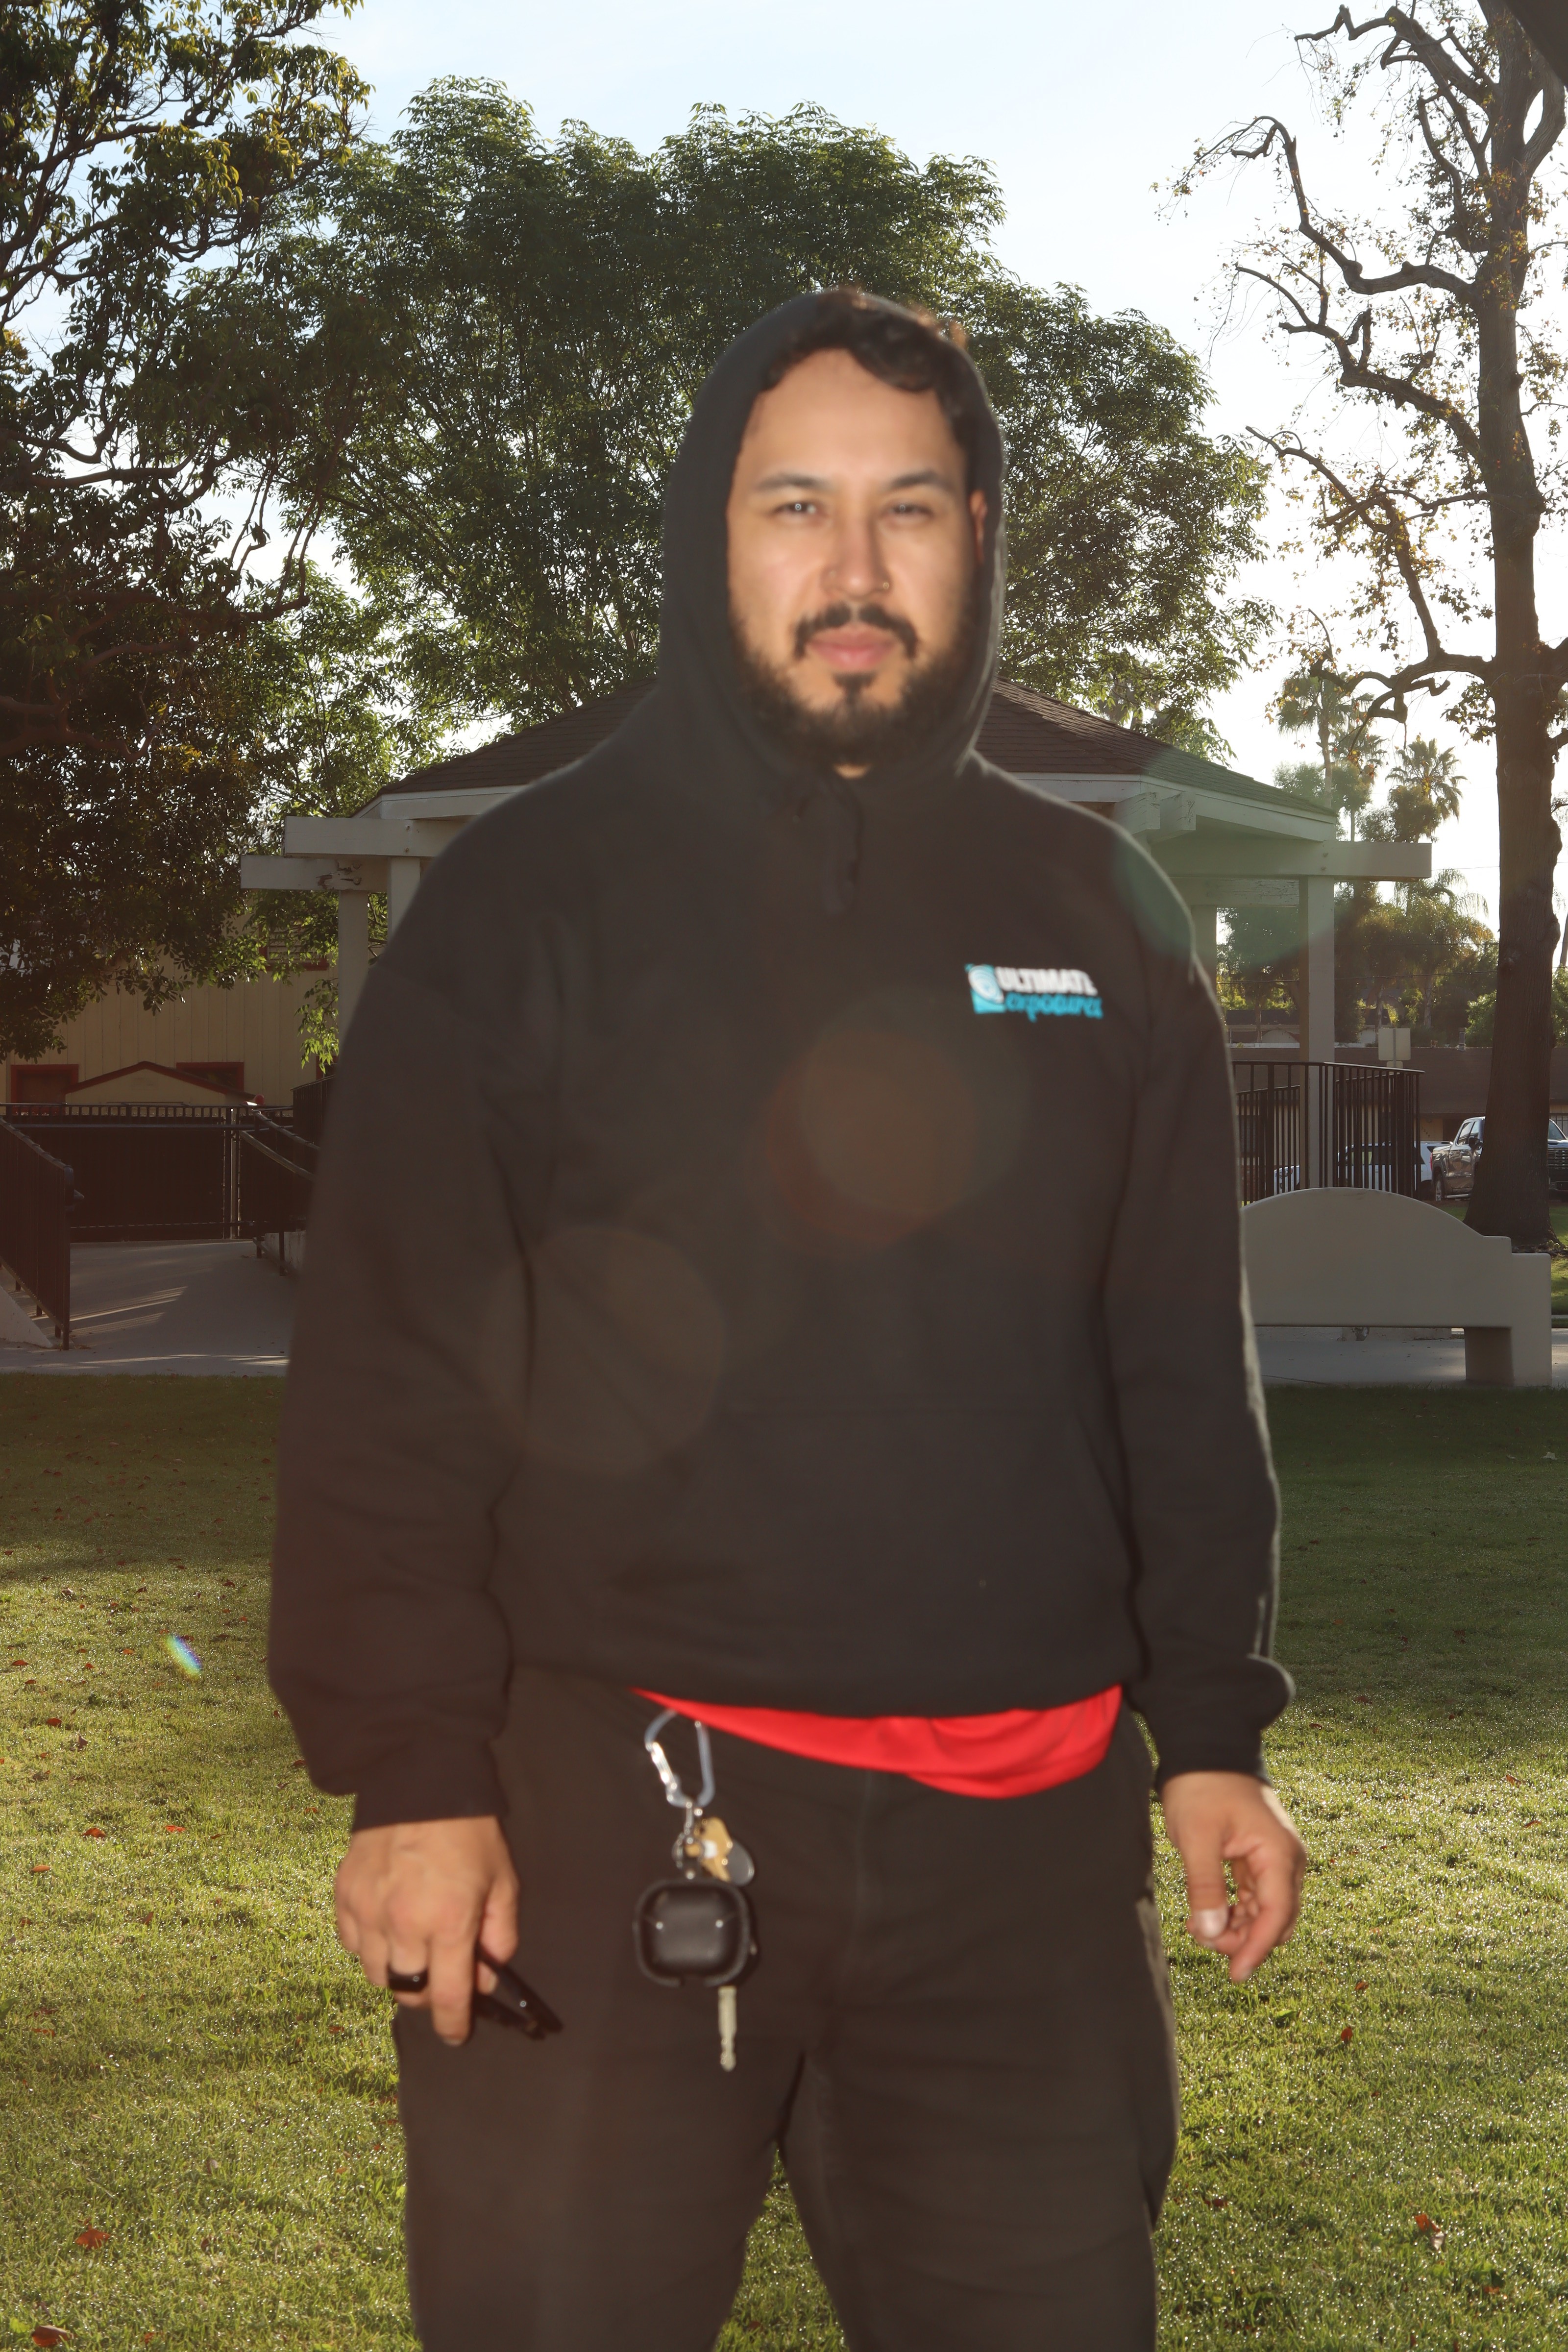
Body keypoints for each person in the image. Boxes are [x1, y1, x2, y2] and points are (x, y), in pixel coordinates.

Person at [270, 288, 1304, 2352]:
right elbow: (393, 1368)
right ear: (707, 535)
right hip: (607, 1816)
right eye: (793, 507)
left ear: (978, 539)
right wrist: (410, 1770)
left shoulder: (1101, 920)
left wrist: (1210, 1733)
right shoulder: (526, 902)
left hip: (1019, 1870)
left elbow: (1178, 1365)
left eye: (907, 509)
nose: (852, 568)